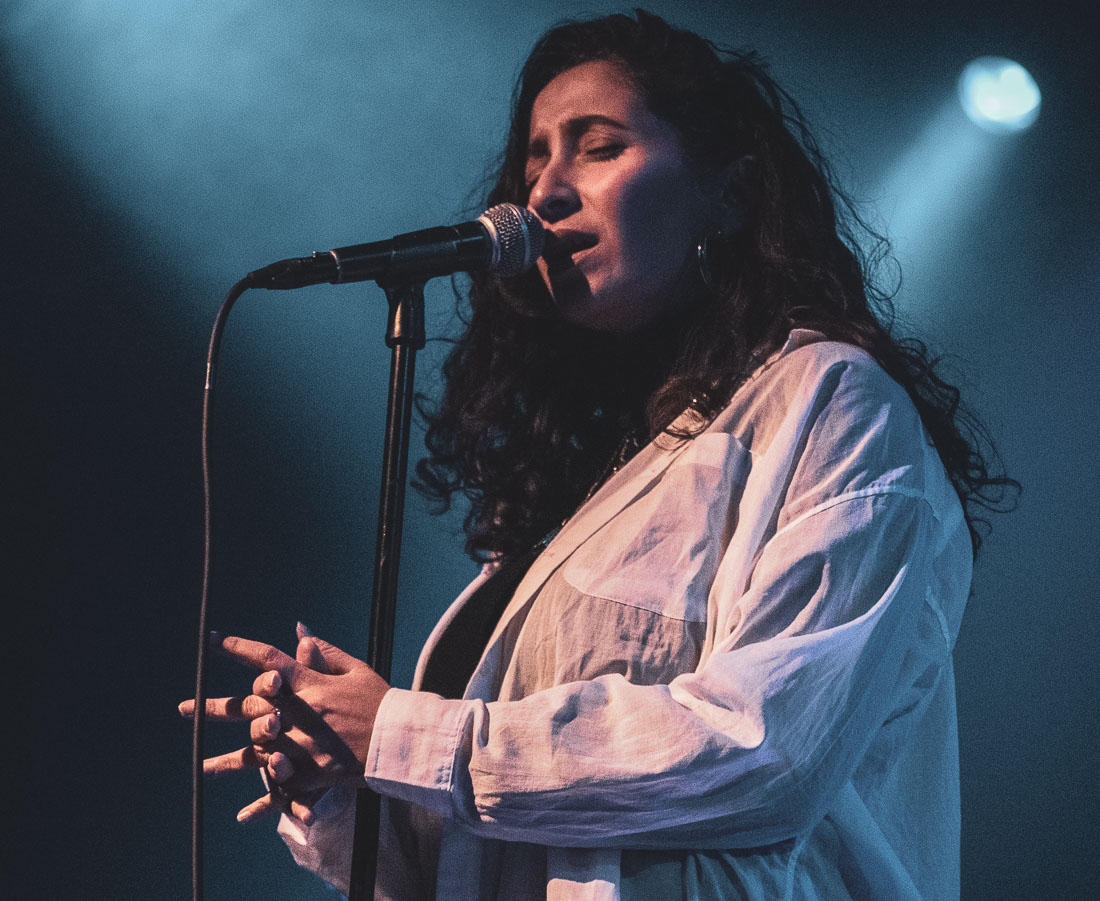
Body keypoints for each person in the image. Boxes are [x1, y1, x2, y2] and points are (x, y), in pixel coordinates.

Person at [180, 10, 1015, 900]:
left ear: (730, 194)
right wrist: (340, 778)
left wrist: (399, 732)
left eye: (599, 147)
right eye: (533, 162)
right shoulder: (590, 486)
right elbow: (477, 857)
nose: (542, 192)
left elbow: (765, 747)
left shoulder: (832, 401)